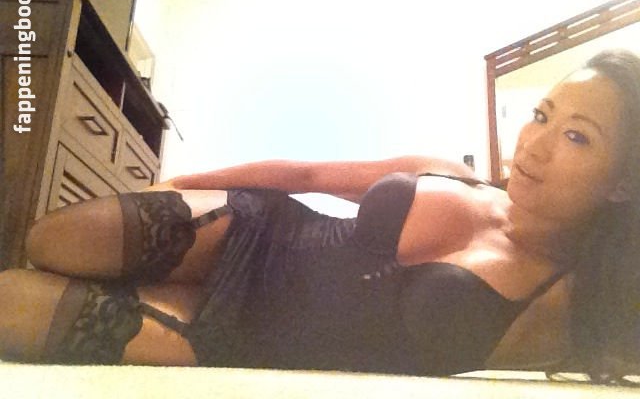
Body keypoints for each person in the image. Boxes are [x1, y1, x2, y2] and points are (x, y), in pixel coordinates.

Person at [1, 49, 639, 383]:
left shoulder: (574, 300)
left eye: (577, 136)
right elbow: (307, 176)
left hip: (248, 338)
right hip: (251, 232)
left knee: (10, 302)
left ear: (622, 183)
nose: (536, 145)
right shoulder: (450, 172)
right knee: (51, 239)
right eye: (541, 115)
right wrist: (187, 181)